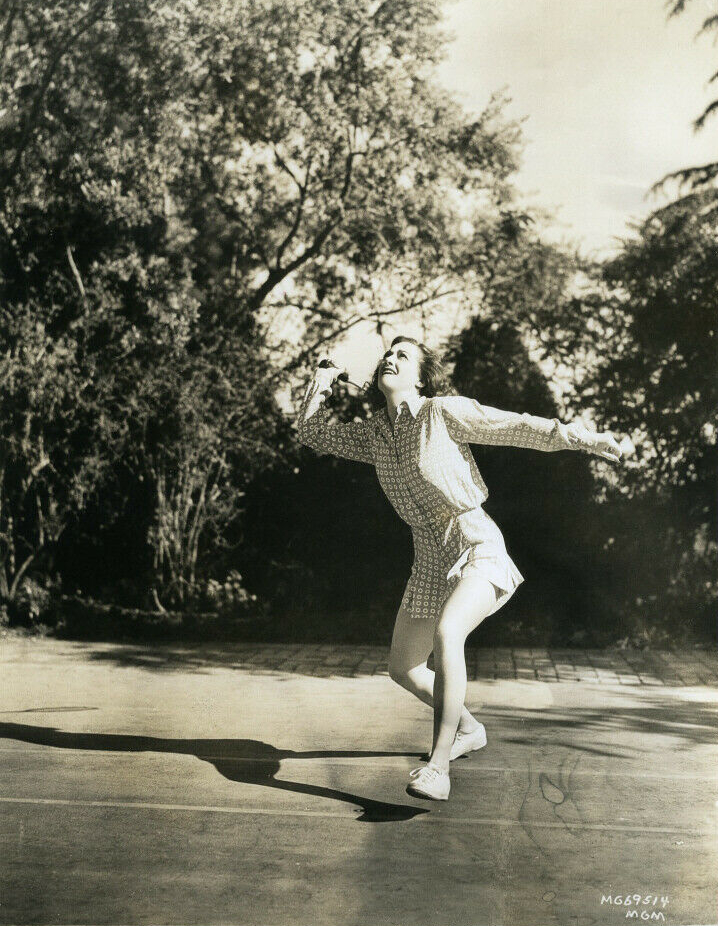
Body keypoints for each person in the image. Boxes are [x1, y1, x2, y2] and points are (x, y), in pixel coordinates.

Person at [296, 336, 623, 801]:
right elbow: (311, 432)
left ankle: (437, 766)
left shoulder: (441, 412)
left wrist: (586, 438)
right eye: (386, 353)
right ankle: (468, 728)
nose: (389, 358)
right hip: (427, 558)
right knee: (403, 668)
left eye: (402, 355)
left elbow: (516, 427)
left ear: (421, 377)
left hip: (475, 542)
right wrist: (322, 381)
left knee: (449, 635)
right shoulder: (374, 434)